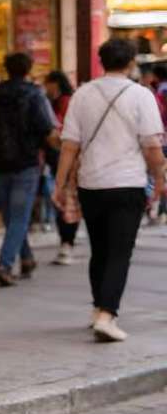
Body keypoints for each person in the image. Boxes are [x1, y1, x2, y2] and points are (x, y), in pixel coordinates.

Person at [53, 38, 166, 342]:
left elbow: (69, 145)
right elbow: (152, 146)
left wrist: (59, 184)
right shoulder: (141, 96)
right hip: (128, 184)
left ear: (101, 61)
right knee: (120, 251)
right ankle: (107, 314)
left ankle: (97, 309)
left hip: (91, 184)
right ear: (131, 63)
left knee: (100, 250)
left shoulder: (82, 94)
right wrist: (160, 179)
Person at [0, 52, 55, 286]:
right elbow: (45, 128)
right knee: (18, 216)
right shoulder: (34, 95)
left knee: (12, 215)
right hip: (25, 163)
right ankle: (5, 265)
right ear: (29, 69)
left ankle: (27, 258)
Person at [43, 70, 78, 263]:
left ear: (55, 83)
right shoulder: (55, 102)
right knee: (64, 202)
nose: (45, 87)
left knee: (65, 201)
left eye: (47, 83)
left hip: (64, 159)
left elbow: (65, 134)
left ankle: (67, 243)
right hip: (59, 160)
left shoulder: (65, 102)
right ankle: (66, 243)